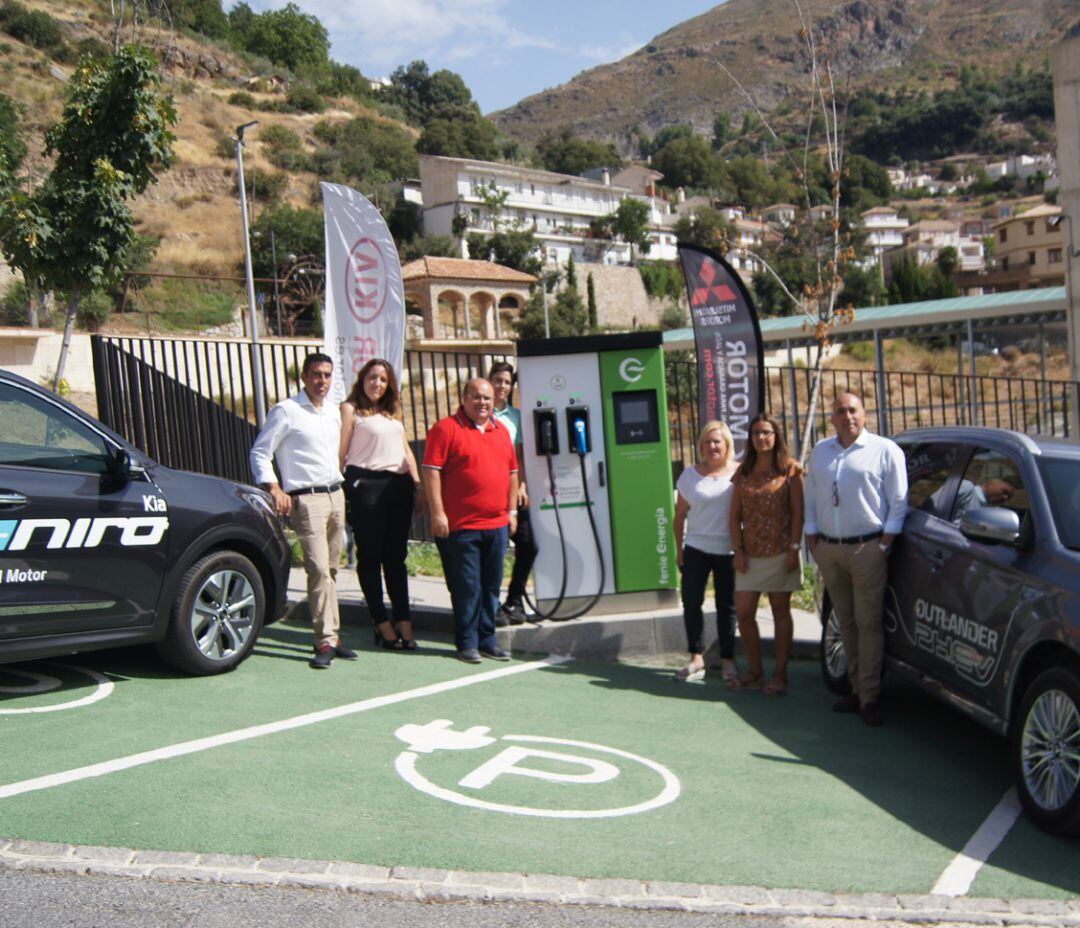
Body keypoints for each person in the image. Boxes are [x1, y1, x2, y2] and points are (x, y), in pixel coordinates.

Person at [805, 392, 907, 726]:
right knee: (845, 622)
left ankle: (870, 697)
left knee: (868, 623)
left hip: (868, 550)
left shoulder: (885, 450)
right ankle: (854, 688)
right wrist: (813, 538)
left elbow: (898, 500)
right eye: (840, 411)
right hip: (830, 550)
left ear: (864, 414)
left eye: (853, 410)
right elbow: (811, 496)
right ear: (831, 418)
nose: (847, 416)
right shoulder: (821, 452)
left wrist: (885, 543)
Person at [250, 352, 355, 670]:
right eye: (316, 374)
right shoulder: (287, 411)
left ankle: (333, 637)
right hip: (307, 501)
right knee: (319, 569)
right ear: (304, 377)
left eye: (327, 375)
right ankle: (324, 639)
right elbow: (260, 452)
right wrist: (274, 487)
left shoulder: (333, 413)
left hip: (336, 495)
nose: (321, 381)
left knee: (332, 571)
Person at [422, 378, 519, 664]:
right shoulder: (446, 429)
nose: (483, 403)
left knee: (491, 587)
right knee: (467, 587)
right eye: (476, 397)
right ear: (464, 398)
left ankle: (488, 639)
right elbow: (431, 472)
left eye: (488, 399)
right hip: (460, 527)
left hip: (497, 526)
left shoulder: (501, 431)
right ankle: (467, 642)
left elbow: (513, 473)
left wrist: (511, 512)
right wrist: (438, 512)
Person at [339, 358, 423, 652]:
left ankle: (403, 620)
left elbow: (406, 451)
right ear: (362, 379)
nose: (377, 384)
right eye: (373, 378)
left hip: (398, 487)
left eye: (384, 380)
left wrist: (417, 484)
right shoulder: (351, 409)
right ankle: (380, 621)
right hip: (366, 486)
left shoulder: (393, 412)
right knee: (371, 559)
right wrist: (341, 488)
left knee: (396, 560)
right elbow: (341, 452)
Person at [730, 413, 804, 695]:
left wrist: (794, 549)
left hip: (780, 553)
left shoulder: (790, 470)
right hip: (749, 557)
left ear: (776, 436)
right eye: (756, 433)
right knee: (745, 614)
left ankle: (780, 675)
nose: (761, 437)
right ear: (750, 438)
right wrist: (738, 550)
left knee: (780, 613)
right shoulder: (742, 473)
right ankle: (755, 670)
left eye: (767, 432)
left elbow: (798, 513)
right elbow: (734, 516)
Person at [672, 421, 740, 684]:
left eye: (717, 442)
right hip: (696, 548)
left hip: (728, 549)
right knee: (691, 603)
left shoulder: (739, 473)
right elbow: (679, 517)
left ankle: (727, 659)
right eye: (707, 442)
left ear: (727, 445)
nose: (712, 446)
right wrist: (679, 551)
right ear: (701, 445)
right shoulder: (690, 476)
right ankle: (696, 657)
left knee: (727, 606)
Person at [488, 361, 536, 626]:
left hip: (512, 493)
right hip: (490, 494)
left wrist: (523, 486)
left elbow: (520, 456)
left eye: (507, 382)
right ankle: (492, 603)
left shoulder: (516, 417)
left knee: (528, 545)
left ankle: (514, 599)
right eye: (498, 380)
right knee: (494, 550)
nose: (502, 386)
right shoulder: (482, 414)